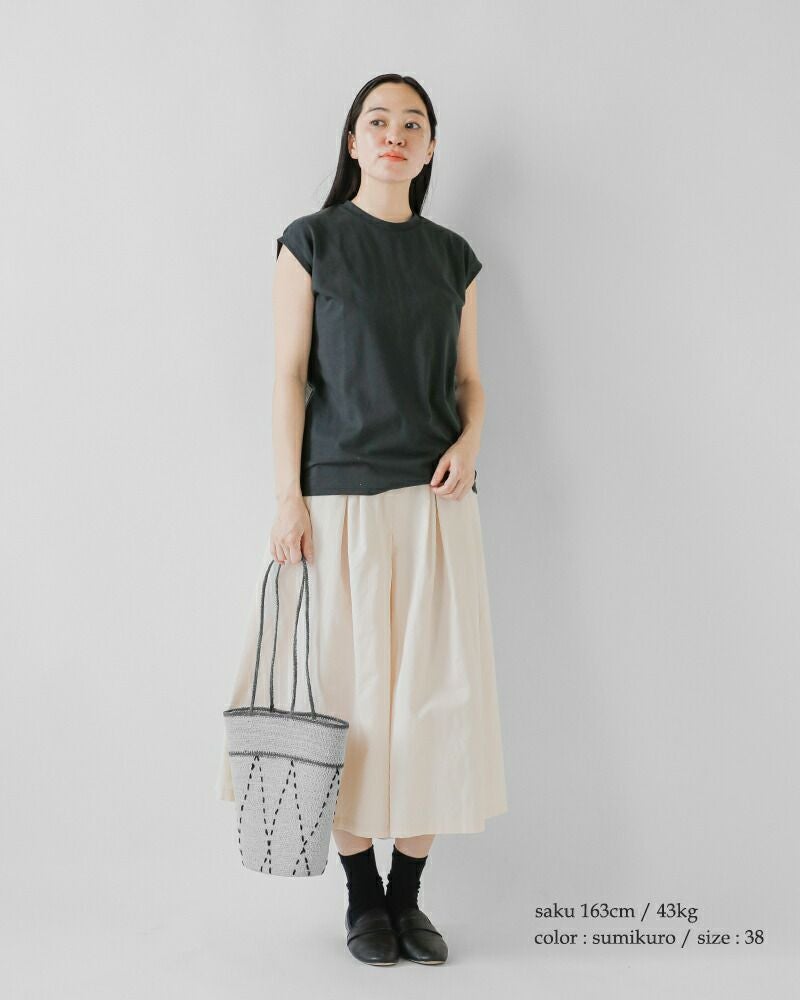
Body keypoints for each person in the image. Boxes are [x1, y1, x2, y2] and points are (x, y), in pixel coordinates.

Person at [216, 73, 508, 966]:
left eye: (412, 124)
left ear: (429, 149)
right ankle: (361, 899)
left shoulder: (453, 258)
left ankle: (408, 898)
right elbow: (287, 377)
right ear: (353, 141)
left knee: (436, 704)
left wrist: (471, 441)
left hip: (435, 503)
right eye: (377, 121)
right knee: (343, 702)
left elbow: (470, 381)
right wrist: (286, 496)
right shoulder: (311, 242)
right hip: (336, 500)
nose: (394, 134)